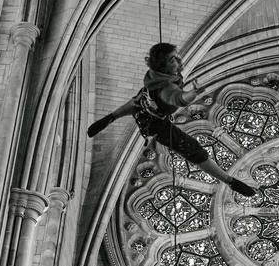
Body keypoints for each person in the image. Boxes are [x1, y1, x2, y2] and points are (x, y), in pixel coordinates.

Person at [87, 42, 258, 196]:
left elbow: (140, 102)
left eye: (176, 55)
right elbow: (178, 98)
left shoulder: (154, 76)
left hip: (146, 109)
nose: (178, 60)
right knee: (195, 151)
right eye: (172, 60)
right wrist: (194, 93)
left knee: (138, 102)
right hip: (157, 126)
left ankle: (110, 117)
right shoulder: (166, 88)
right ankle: (230, 181)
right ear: (164, 67)